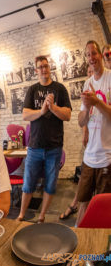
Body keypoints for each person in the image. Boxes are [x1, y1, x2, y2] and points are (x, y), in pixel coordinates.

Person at [16, 55, 72, 223]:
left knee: (50, 185)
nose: (43, 69)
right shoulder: (32, 90)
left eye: (46, 66)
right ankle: (20, 215)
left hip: (54, 147)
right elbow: (25, 115)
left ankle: (41, 217)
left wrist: (52, 107)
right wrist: (41, 111)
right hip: (34, 147)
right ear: (36, 70)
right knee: (28, 184)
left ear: (49, 68)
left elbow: (67, 115)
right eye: (40, 67)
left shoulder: (60, 89)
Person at [76, 40, 111, 225]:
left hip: (107, 155)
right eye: (88, 55)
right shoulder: (87, 84)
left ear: (100, 55)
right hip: (89, 156)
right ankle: (79, 236)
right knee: (83, 201)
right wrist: (86, 109)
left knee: (105, 205)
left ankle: (103, 245)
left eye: (94, 53)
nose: (91, 58)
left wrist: (97, 102)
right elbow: (81, 121)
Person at [59, 64, 94, 220]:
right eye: (88, 72)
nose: (90, 74)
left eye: (93, 71)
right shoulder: (88, 91)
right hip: (93, 143)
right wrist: (85, 132)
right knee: (85, 177)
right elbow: (84, 115)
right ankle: (75, 206)